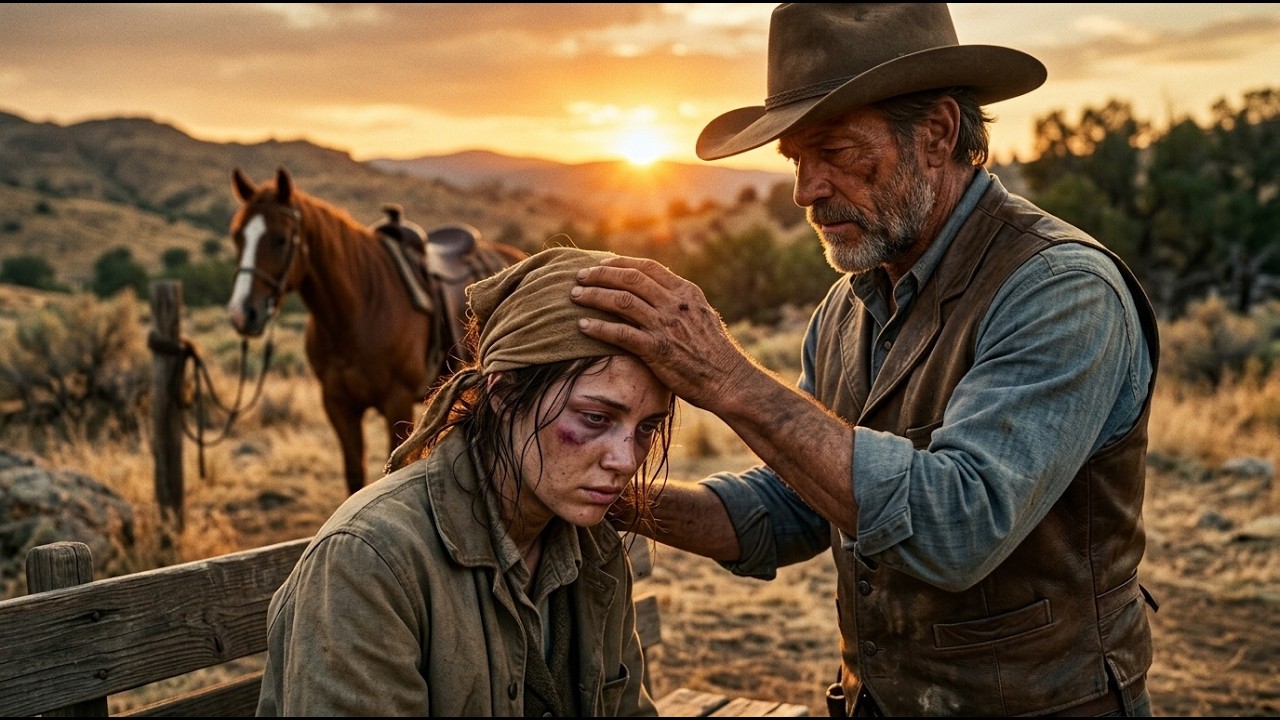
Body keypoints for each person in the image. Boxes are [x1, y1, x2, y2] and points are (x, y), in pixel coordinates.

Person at [571, 3, 1160, 717]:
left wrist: (727, 378)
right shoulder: (850, 308)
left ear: (938, 133)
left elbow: (958, 527)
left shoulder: (1060, 290)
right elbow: (795, 507)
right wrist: (610, 497)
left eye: (838, 151)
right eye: (796, 159)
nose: (806, 190)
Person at [256, 246, 674, 716]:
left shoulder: (594, 548)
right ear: (503, 391)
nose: (626, 459)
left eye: (646, 428)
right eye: (596, 417)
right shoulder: (369, 563)